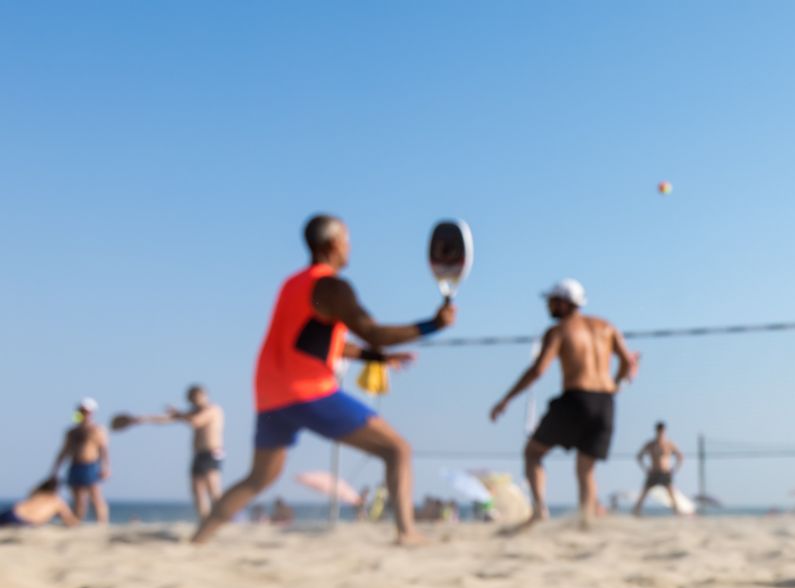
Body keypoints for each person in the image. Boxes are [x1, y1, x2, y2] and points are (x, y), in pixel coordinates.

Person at [193, 214, 455, 544]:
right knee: (397, 450)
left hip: (270, 394)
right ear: (333, 244)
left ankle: (200, 538)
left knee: (259, 477)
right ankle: (407, 533)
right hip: (308, 392)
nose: (349, 246)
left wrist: (380, 359)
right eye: (347, 239)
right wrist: (432, 325)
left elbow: (326, 344)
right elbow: (373, 332)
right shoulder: (332, 287)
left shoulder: (294, 284)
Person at [489, 279, 638, 525]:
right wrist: (616, 384)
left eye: (551, 301)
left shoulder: (559, 330)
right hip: (606, 402)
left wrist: (505, 399)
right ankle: (586, 522)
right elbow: (627, 361)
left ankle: (539, 510)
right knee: (586, 469)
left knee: (533, 453)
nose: (548, 306)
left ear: (563, 303)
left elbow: (538, 370)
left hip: (576, 398)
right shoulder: (607, 327)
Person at [120, 385, 226, 518]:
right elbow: (167, 419)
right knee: (197, 490)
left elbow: (195, 421)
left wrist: (178, 414)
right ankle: (204, 519)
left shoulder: (213, 409)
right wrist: (142, 419)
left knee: (213, 488)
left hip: (212, 452)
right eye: (192, 399)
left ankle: (223, 517)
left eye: (196, 397)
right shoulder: (191, 413)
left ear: (204, 395)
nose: (194, 401)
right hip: (198, 454)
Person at [51, 398, 110, 523]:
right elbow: (64, 451)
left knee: (95, 497)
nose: (84, 414)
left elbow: (104, 450)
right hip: (75, 466)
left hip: (91, 465)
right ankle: (76, 523)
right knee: (78, 499)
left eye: (86, 411)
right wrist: (55, 470)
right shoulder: (72, 432)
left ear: (92, 413)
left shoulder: (97, 429)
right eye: (82, 411)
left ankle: (102, 524)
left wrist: (105, 467)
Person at [633, 422, 685, 516]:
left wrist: (675, 469)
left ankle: (677, 512)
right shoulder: (650, 444)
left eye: (662, 431)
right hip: (653, 472)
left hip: (665, 472)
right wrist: (645, 468)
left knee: (671, 493)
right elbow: (638, 456)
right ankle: (636, 511)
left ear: (665, 431)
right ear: (656, 431)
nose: (661, 433)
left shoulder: (669, 444)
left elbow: (680, 457)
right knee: (644, 492)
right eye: (659, 431)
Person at [0, 478, 78, 528]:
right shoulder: (57, 501)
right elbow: (70, 520)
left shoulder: (37, 494)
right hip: (24, 521)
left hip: (12, 512)